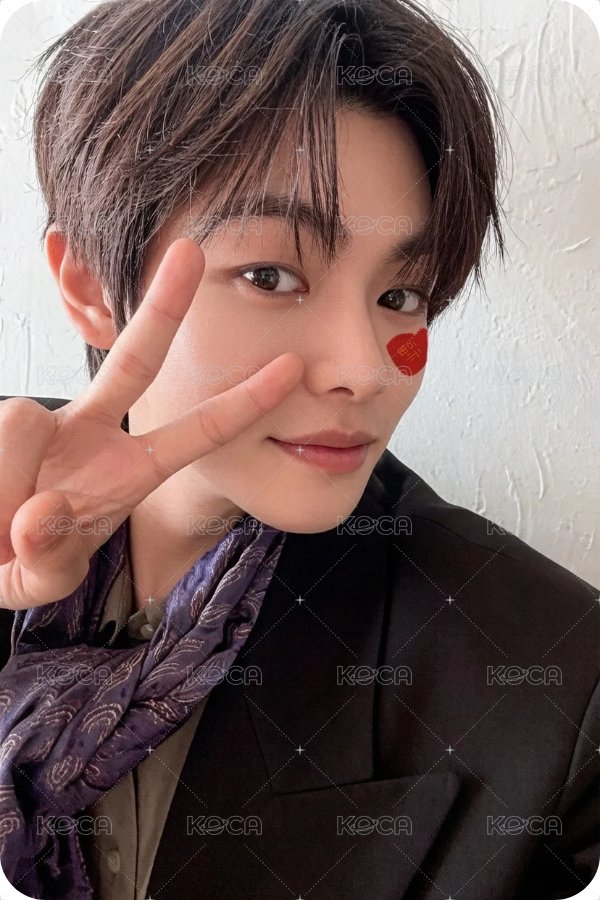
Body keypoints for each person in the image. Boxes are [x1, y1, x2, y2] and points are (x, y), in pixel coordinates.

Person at [0, 0, 598, 897]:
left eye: (402, 295)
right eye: (271, 276)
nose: (365, 369)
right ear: (89, 285)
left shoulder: (552, 685)